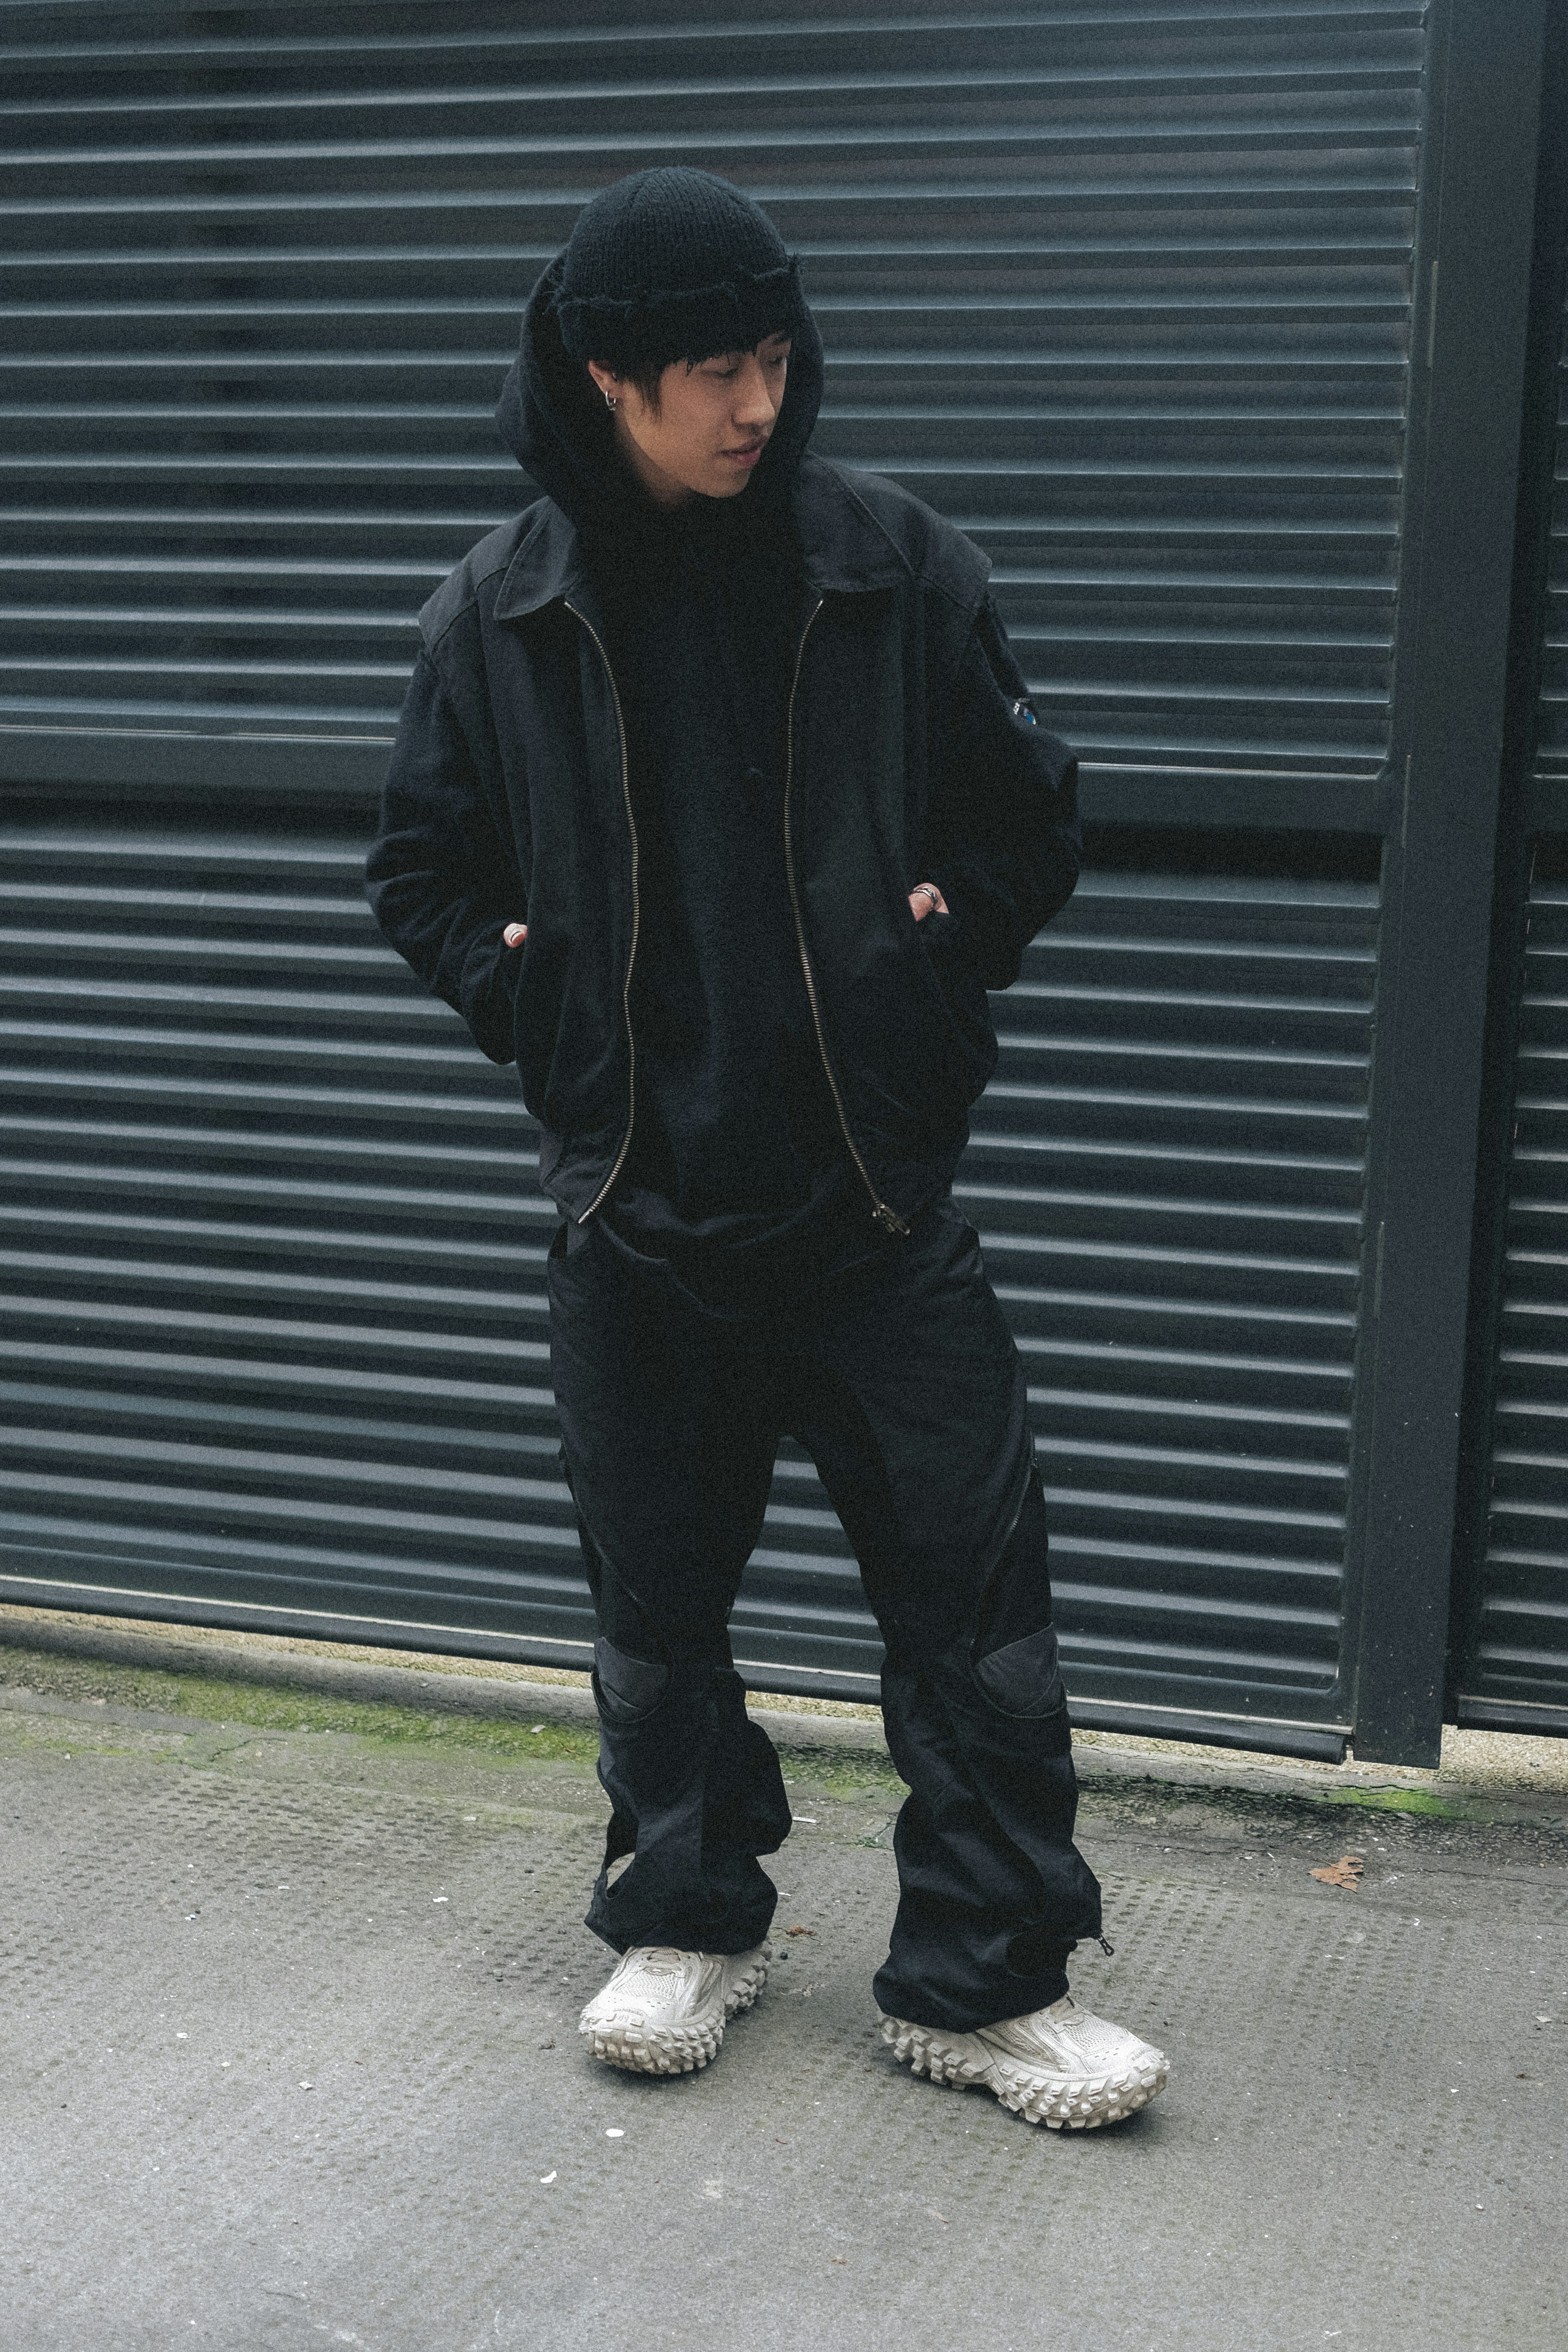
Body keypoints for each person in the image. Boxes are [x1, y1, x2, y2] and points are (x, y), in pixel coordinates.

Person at [366, 167, 1168, 2132]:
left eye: (775, 357)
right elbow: (418, 872)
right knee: (653, 1609)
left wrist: (930, 963)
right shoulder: (500, 610)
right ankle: (687, 1909)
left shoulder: (898, 567)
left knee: (978, 1618)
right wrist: (541, 1011)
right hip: (641, 1205)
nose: (756, 401)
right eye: (713, 368)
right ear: (604, 378)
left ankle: (979, 1982)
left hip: (874, 1208)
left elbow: (1030, 816)